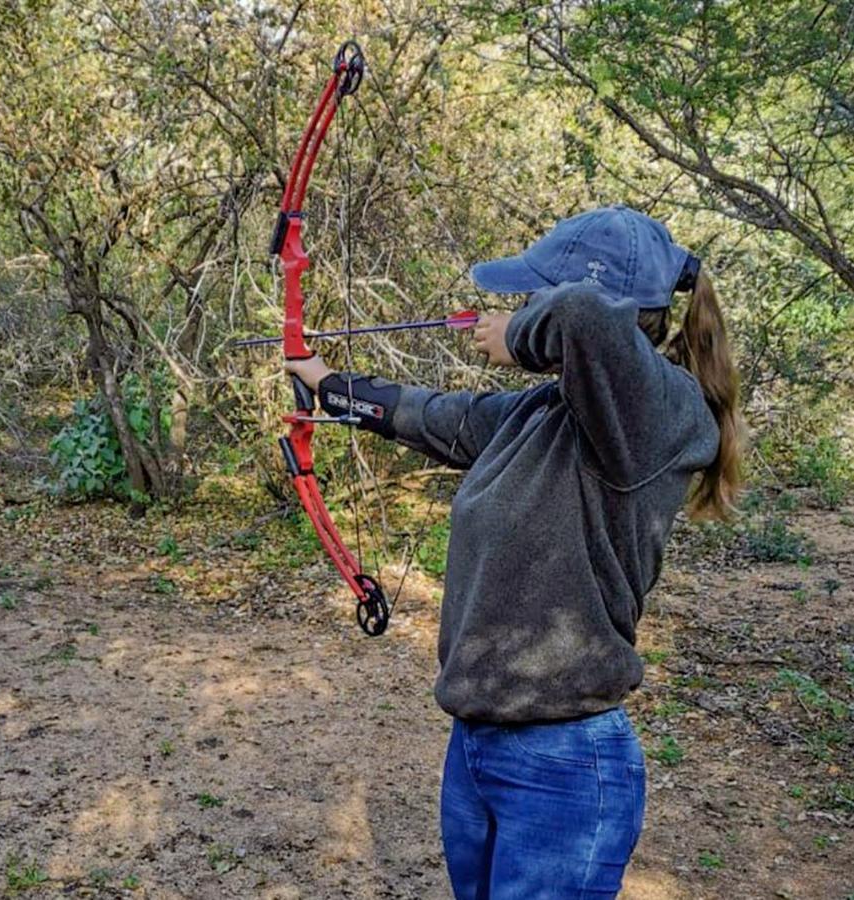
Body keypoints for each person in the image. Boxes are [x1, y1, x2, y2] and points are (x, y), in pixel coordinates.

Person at [284, 204, 744, 899]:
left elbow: (582, 315)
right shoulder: (539, 414)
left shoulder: (662, 416)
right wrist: (324, 383)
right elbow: (431, 415)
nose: (521, 306)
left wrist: (513, 336)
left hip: (563, 763)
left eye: (532, 296)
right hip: (478, 742)